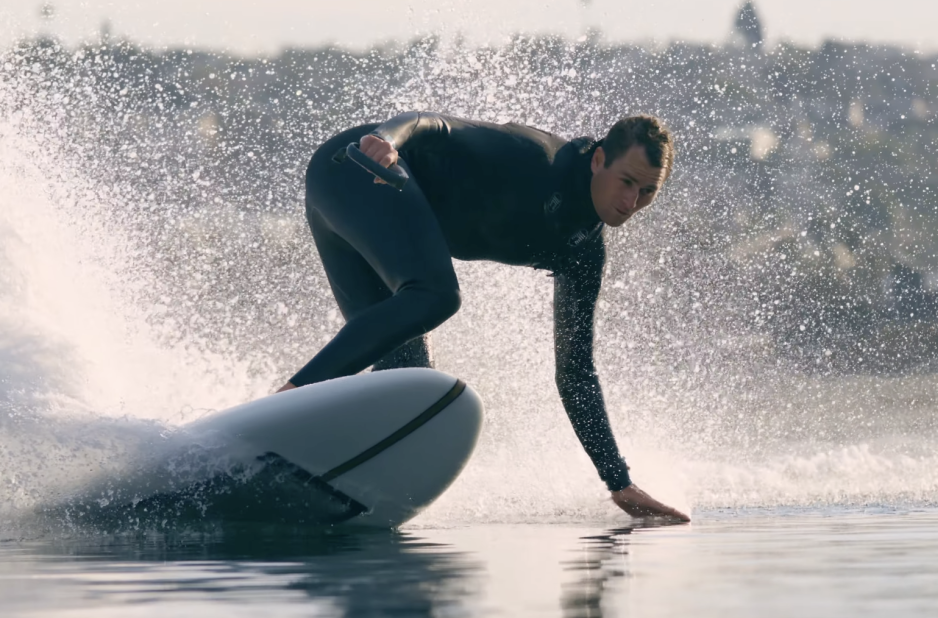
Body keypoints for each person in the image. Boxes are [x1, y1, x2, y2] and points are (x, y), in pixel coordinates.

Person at [276, 111, 687, 521]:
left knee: (407, 381)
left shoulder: (583, 253)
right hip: (362, 165)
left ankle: (307, 461)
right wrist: (387, 139)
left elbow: (576, 372)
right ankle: (286, 403)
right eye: (627, 182)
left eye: (648, 191)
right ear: (598, 160)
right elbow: (430, 124)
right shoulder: (535, 158)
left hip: (351, 198)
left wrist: (619, 483)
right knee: (436, 296)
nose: (631, 202)